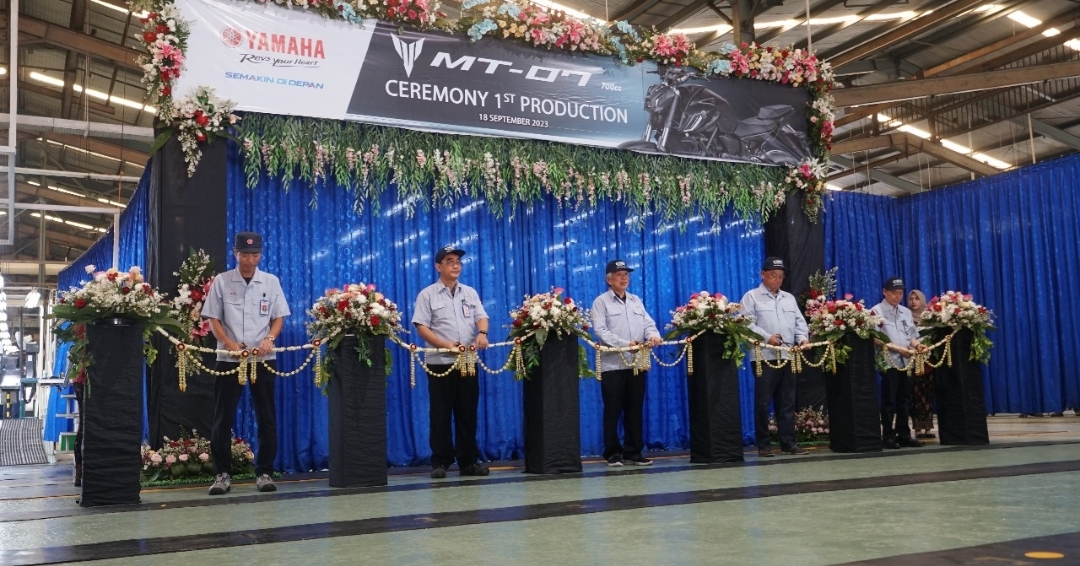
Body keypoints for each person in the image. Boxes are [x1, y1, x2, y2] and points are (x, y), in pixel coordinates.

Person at [203, 232, 291, 494]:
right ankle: (222, 474)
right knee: (222, 417)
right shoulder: (222, 281)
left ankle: (264, 472)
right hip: (229, 358)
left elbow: (278, 317)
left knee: (266, 416)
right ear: (235, 253)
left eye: (255, 255)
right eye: (244, 254)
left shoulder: (271, 282)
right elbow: (213, 319)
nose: (249, 260)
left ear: (260, 254)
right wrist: (228, 343)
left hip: (263, 358)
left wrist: (270, 338)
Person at [412, 245, 491, 479]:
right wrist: (445, 345)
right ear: (438, 267)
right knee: (441, 413)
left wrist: (482, 333)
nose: (456, 265)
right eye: (450, 261)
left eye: (458, 261)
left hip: (467, 360)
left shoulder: (470, 292)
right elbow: (421, 326)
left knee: (468, 412)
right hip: (441, 363)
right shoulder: (427, 294)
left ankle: (469, 462)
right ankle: (441, 462)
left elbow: (481, 317)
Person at [590, 259, 663, 467]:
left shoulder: (635, 300)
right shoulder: (601, 302)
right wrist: (625, 344)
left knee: (635, 410)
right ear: (609, 280)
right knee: (612, 410)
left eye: (626, 274)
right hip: (612, 365)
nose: (624, 278)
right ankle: (612, 453)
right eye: (619, 274)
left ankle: (633, 451)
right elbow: (601, 331)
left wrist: (654, 335)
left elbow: (648, 323)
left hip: (636, 364)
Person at [740, 257, 810, 457]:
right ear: (763, 274)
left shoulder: (789, 298)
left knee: (787, 401)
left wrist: (802, 339)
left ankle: (788, 443)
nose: (777, 280)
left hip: (788, 355)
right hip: (764, 357)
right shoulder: (752, 297)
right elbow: (746, 324)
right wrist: (767, 337)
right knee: (763, 402)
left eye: (780, 276)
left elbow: (799, 323)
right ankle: (764, 445)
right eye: (773, 276)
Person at [873, 277, 925, 450]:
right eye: (894, 293)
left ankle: (904, 434)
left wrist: (918, 345)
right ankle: (888, 436)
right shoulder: (876, 311)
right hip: (889, 361)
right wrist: (896, 348)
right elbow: (875, 339)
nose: (898, 296)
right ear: (884, 292)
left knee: (905, 398)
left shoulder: (905, 312)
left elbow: (912, 335)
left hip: (907, 361)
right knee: (889, 400)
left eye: (901, 293)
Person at [908, 289, 935, 439]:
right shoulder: (905, 317)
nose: (913, 301)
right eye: (911, 299)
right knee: (914, 395)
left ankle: (928, 428)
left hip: (928, 362)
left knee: (927, 393)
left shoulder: (929, 318)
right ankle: (917, 427)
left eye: (916, 298)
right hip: (911, 361)